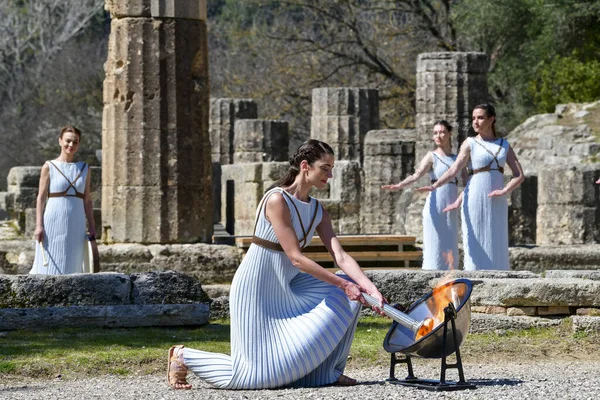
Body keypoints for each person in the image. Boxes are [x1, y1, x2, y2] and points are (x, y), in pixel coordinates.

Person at [167, 139, 386, 390]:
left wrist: (370, 288)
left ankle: (326, 373)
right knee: (254, 376)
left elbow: (341, 256)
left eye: (331, 168)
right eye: (325, 168)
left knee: (350, 290)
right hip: (257, 288)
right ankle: (184, 356)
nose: (331, 174)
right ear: (305, 166)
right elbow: (295, 257)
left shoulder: (317, 210)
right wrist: (344, 285)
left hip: (289, 286)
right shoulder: (277, 199)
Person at [418, 104, 525, 270]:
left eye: (480, 117)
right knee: (475, 244)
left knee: (497, 241)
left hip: (497, 199)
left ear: (491, 119)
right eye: (474, 118)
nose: (475, 121)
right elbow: (454, 169)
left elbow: (519, 175)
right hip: (474, 196)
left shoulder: (504, 144)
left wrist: (505, 190)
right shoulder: (470, 143)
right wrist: (436, 185)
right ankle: (473, 284)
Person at [382, 120, 466, 270]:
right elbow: (416, 176)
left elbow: (467, 183)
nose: (438, 136)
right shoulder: (431, 156)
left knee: (450, 243)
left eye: (441, 132)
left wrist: (459, 201)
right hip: (435, 205)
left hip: (451, 206)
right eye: (435, 133)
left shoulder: (457, 159)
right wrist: (399, 185)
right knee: (434, 244)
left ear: (449, 133)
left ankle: (451, 280)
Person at [29, 126, 96, 275]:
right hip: (53, 220)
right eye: (68, 141)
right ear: (60, 141)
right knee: (48, 266)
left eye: (75, 142)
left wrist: (92, 225)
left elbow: (87, 200)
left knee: (73, 262)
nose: (71, 145)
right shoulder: (49, 166)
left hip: (76, 221)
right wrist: (39, 225)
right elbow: (40, 198)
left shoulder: (84, 168)